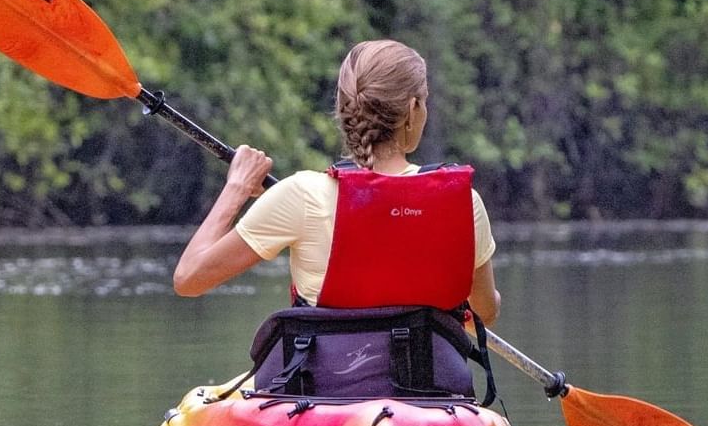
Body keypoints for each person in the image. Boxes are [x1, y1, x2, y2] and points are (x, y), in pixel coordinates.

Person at [172, 39, 500, 326]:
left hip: (328, 385)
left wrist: (238, 187)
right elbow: (484, 314)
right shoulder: (462, 202)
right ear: (412, 110)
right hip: (426, 388)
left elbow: (189, 279)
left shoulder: (299, 195)